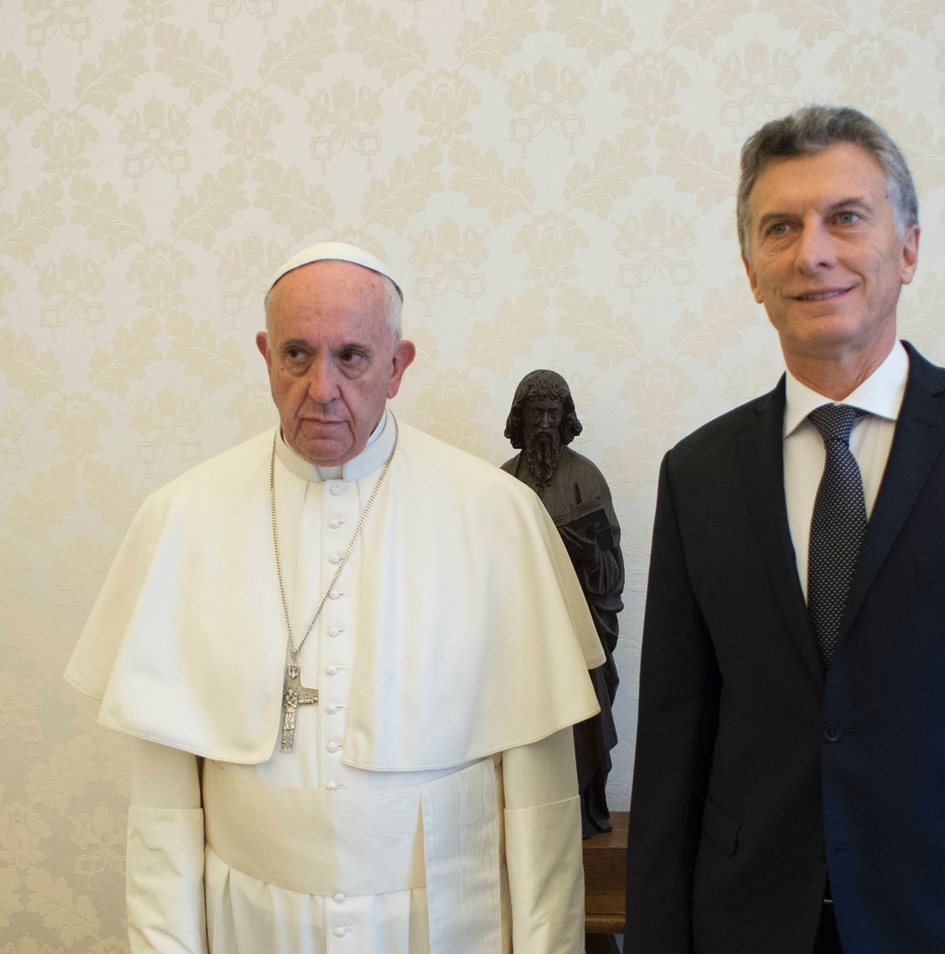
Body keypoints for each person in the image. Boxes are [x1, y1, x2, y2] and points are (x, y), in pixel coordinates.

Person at [624, 107, 945, 953]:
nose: (811, 251)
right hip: (749, 924)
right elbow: (675, 744)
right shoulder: (697, 473)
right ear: (751, 270)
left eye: (846, 218)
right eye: (780, 227)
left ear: (909, 248)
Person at [65, 241, 605, 953]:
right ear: (265, 355)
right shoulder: (181, 518)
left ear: (397, 365)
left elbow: (542, 807)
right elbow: (163, 815)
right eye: (297, 354)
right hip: (253, 929)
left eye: (351, 356)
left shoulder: (498, 518)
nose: (321, 388)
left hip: (450, 927)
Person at [501, 369, 624, 837]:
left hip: (580, 630)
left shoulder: (586, 477)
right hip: (523, 631)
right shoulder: (504, 482)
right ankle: (531, 818)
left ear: (565, 418)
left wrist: (589, 552)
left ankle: (586, 809)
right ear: (522, 419)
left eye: (554, 413)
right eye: (538, 414)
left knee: (583, 727)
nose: (546, 424)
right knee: (526, 731)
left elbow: (613, 575)